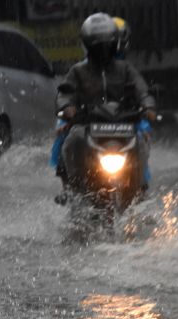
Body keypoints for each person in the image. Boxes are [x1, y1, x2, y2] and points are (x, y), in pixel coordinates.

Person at [55, 13, 157, 195]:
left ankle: (139, 188)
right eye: (97, 46)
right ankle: (73, 188)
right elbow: (65, 93)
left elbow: (142, 90)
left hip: (122, 124)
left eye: (106, 45)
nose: (103, 50)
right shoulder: (78, 71)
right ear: (88, 46)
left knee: (141, 142)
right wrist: (67, 107)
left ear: (114, 43)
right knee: (72, 140)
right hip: (87, 124)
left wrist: (148, 106)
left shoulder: (125, 69)